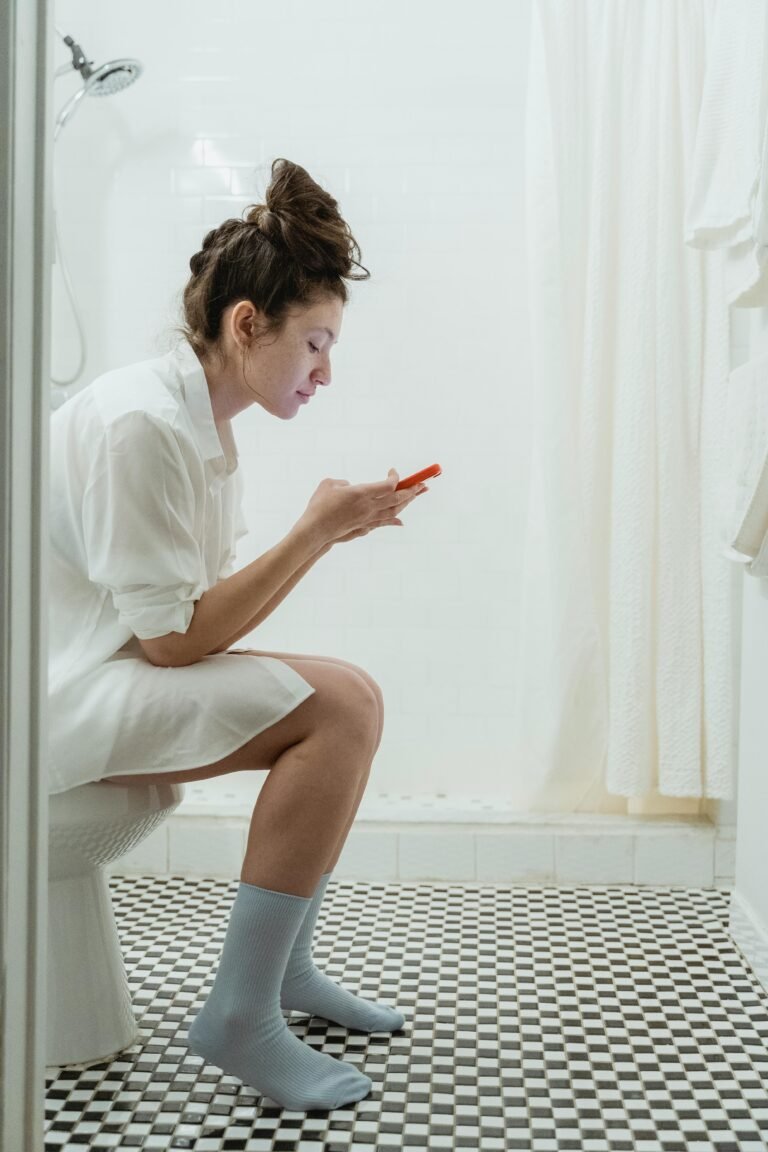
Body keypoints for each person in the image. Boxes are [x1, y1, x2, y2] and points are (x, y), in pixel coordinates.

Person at [48, 158, 428, 1110]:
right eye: (315, 343)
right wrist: (314, 534)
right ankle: (240, 1014)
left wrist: (324, 534)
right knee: (339, 708)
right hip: (53, 700)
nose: (325, 371)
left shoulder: (195, 421)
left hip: (99, 669)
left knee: (354, 693)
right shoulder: (142, 424)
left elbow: (182, 620)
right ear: (246, 324)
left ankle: (285, 972)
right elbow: (175, 644)